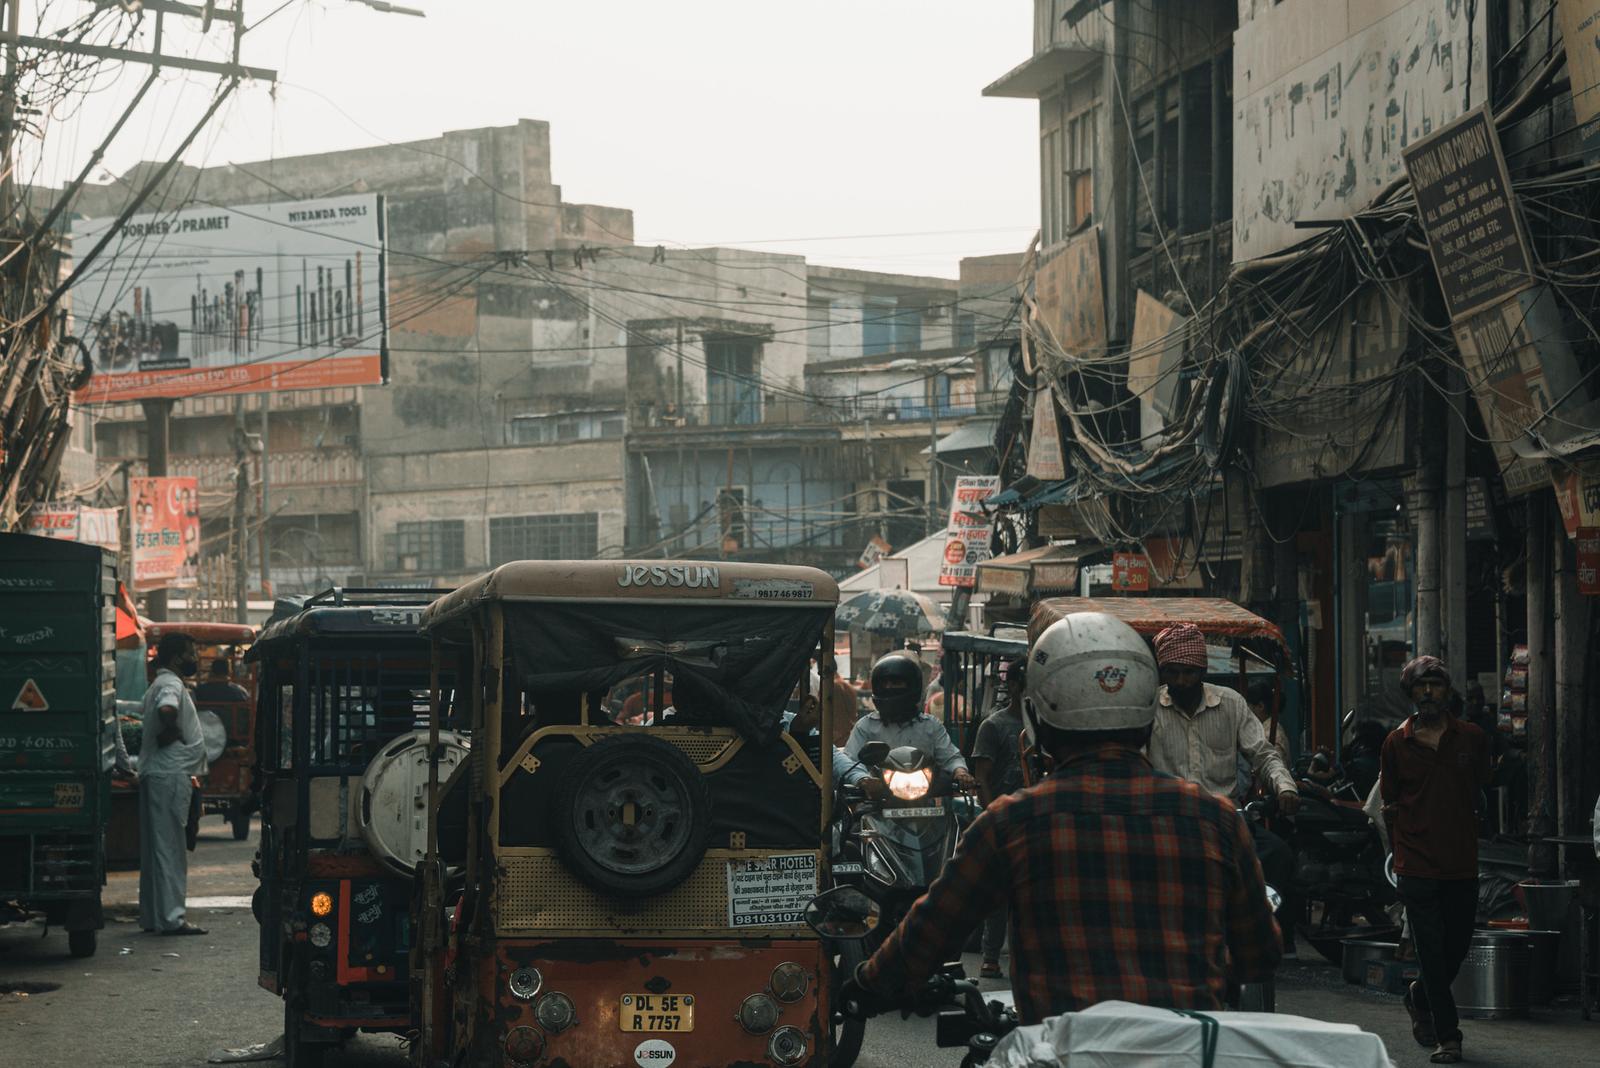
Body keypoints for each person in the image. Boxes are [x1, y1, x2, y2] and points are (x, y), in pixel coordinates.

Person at [843, 612, 1280, 1023]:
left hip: (1062, 1048)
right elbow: (1260, 953)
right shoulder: (1216, 820)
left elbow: (930, 931)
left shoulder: (1012, 822)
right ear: (1149, 716)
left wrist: (862, 986)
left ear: (1037, 722)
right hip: (1186, 1047)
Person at [1147, 623, 1300, 955]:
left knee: (1280, 855)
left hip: (1225, 820)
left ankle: (1263, 932)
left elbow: (1262, 753)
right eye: (1173, 673)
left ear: (1201, 670)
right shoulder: (1150, 709)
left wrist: (1285, 787)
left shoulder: (1230, 704)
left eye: (1188, 673)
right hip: (1169, 822)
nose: (1181, 681)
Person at [1381, 655, 1490, 1065]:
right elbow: (1390, 803)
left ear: (1448, 692)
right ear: (1410, 694)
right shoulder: (1396, 742)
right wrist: (1401, 853)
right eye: (1420, 687)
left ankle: (1418, 995)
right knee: (1430, 950)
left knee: (1456, 948)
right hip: (1417, 863)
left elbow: (1481, 785)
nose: (1428, 693)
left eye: (1436, 685)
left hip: (1461, 859)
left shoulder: (1472, 738)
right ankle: (1450, 1035)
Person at [137, 632, 208, 936]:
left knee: (157, 851)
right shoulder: (171, 684)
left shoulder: (160, 682)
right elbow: (167, 710)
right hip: (170, 775)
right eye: (191, 653)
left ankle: (155, 917)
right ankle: (172, 918)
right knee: (170, 850)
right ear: (178, 657)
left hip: (158, 774)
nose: (195, 659)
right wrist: (174, 730)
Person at [844, 651, 975, 789]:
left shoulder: (930, 725)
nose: (889, 688)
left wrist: (960, 771)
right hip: (877, 800)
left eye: (896, 683)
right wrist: (864, 780)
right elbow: (851, 762)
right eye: (884, 683)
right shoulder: (866, 726)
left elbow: (950, 756)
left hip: (923, 796)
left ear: (912, 685)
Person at [968, 658, 1024, 979]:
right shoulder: (994, 726)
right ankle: (991, 955)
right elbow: (983, 777)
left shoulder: (1045, 725)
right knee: (998, 892)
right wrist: (993, 816)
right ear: (1014, 685)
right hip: (1002, 817)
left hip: (1037, 820)